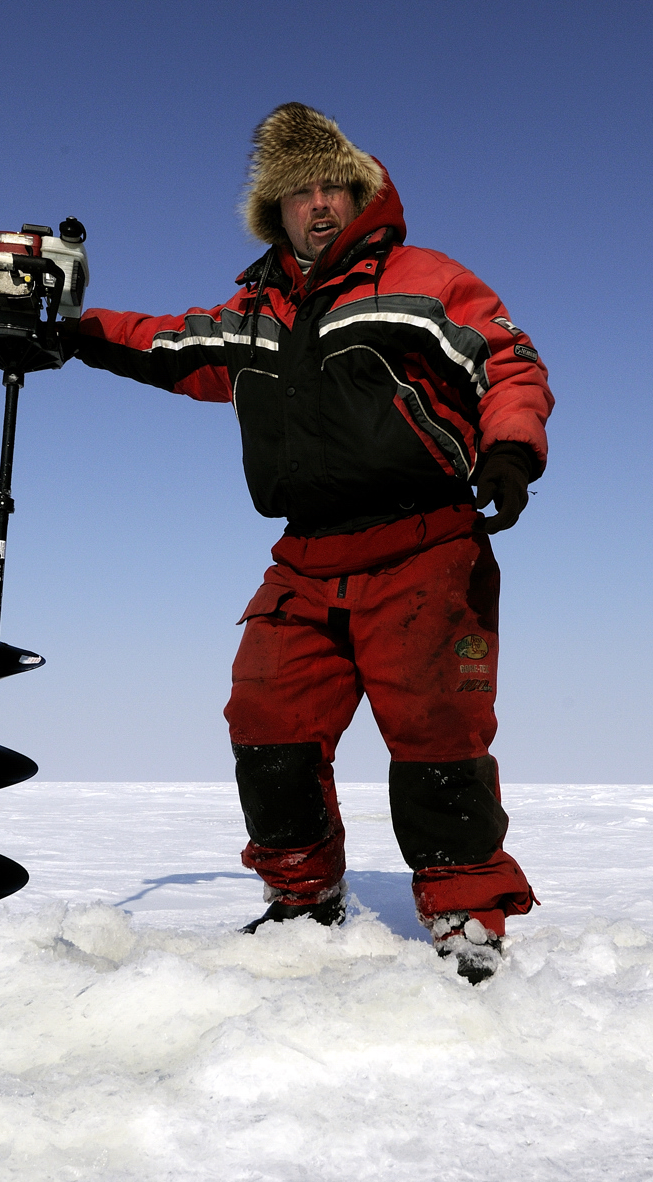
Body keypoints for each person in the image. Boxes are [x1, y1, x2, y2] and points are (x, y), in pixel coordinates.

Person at [65, 103, 554, 983]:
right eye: (298, 191)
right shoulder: (256, 312)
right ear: (275, 209)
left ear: (359, 192)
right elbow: (168, 343)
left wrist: (512, 448)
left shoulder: (424, 279)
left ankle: (466, 915)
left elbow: (506, 360)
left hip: (425, 544)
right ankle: (303, 900)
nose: (318, 203)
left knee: (438, 731)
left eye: (333, 184)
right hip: (306, 555)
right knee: (267, 719)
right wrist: (69, 332)